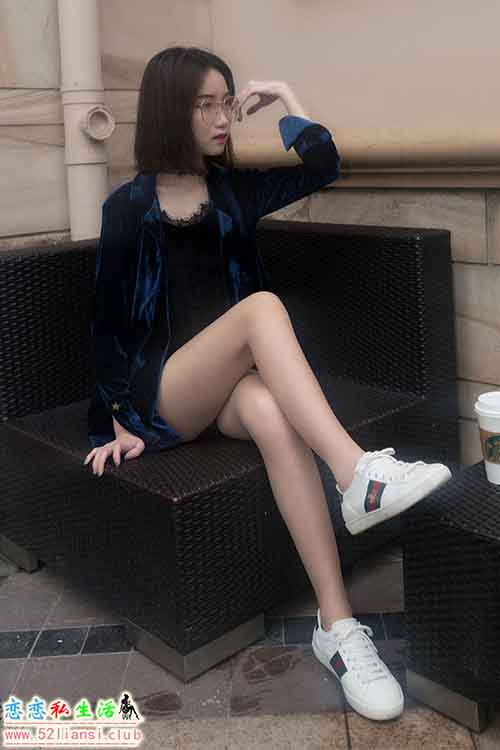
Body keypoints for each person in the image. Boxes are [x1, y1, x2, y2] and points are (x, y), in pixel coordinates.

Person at [83, 46, 452, 722]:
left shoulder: (235, 192)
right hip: (163, 394)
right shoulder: (127, 208)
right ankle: (357, 474)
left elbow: (324, 165)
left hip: (229, 389)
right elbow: (108, 323)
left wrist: (284, 95)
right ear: (169, 111)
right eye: (205, 105)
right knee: (261, 309)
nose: (222, 117)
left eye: (226, 102)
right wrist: (112, 417)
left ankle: (337, 629)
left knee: (273, 416)